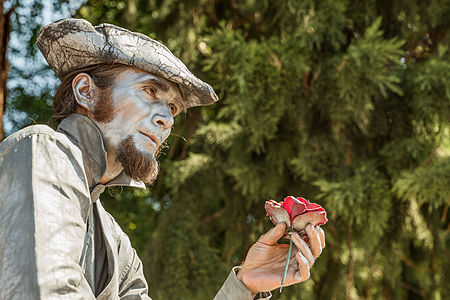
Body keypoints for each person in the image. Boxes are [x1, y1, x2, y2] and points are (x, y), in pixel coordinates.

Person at [0, 18, 325, 300]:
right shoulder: (41, 153)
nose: (166, 120)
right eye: (150, 92)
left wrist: (244, 286)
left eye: (172, 109)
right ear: (87, 91)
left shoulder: (117, 246)